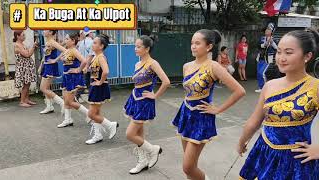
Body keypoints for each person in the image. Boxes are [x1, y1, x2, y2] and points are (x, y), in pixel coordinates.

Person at [237, 29, 319, 179]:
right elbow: (255, 120)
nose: (281, 58)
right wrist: (242, 141)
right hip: (264, 151)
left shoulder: (315, 87)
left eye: (288, 53)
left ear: (307, 56)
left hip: (297, 161)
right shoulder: (270, 85)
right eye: (279, 52)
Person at [172, 29, 246, 180]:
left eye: (197, 43)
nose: (193, 46)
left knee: (187, 166)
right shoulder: (187, 66)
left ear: (209, 46)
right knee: (190, 167)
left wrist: (217, 109)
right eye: (192, 43)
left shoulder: (214, 66)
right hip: (186, 114)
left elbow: (239, 91)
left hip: (201, 117)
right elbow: (190, 90)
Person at [124, 35, 170, 174]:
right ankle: (142, 161)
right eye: (135, 46)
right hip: (135, 99)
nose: (135, 49)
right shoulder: (137, 64)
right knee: (139, 134)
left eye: (138, 47)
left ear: (147, 48)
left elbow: (166, 81)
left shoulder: (153, 63)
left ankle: (153, 149)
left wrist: (155, 95)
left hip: (144, 102)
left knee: (130, 134)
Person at [85, 34, 119, 145]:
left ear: (101, 46)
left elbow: (106, 71)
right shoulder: (96, 56)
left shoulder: (101, 57)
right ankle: (98, 135)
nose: (92, 44)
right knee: (96, 112)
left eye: (95, 43)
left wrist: (100, 82)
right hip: (95, 86)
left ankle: (110, 125)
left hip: (99, 87)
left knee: (91, 114)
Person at [38, 30, 64, 114]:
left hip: (50, 66)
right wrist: (41, 66)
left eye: (46, 30)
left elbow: (65, 50)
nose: (43, 31)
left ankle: (61, 102)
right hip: (46, 65)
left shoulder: (52, 42)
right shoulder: (48, 42)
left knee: (43, 88)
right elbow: (46, 55)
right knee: (46, 87)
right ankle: (49, 106)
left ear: (50, 32)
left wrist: (55, 60)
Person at [13, 30, 38, 107]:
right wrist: (33, 47)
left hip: (26, 67)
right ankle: (22, 101)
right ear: (18, 36)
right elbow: (27, 54)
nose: (24, 36)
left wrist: (33, 48)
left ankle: (26, 99)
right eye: (23, 35)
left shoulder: (21, 44)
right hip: (23, 67)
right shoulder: (17, 45)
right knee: (26, 84)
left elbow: (28, 54)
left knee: (28, 83)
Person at [255, 24, 278, 93]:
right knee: (258, 74)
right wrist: (267, 42)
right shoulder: (262, 38)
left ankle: (265, 88)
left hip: (267, 60)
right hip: (260, 58)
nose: (266, 31)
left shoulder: (274, 39)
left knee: (262, 73)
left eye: (268, 30)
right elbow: (260, 46)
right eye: (266, 29)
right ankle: (261, 87)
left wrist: (271, 42)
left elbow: (276, 48)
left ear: (272, 32)